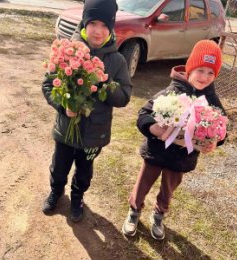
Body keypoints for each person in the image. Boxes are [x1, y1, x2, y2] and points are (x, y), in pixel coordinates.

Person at [122, 40, 226, 240]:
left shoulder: (211, 100)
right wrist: (153, 128)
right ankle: (134, 210)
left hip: (181, 159)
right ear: (190, 68)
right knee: (143, 183)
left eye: (210, 73)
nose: (204, 77)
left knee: (168, 189)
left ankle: (159, 214)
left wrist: (215, 141)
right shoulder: (173, 91)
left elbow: (221, 127)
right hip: (156, 152)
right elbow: (144, 114)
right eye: (200, 70)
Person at [42, 0, 132, 222]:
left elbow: (124, 97)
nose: (98, 31)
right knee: (59, 165)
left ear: (110, 28)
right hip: (66, 129)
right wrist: (64, 107)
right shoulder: (68, 53)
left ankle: (77, 197)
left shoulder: (117, 60)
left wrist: (102, 83)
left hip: (95, 132)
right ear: (84, 23)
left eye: (104, 25)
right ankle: (56, 191)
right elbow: (48, 85)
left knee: (84, 170)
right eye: (93, 23)